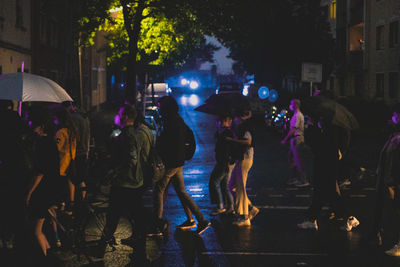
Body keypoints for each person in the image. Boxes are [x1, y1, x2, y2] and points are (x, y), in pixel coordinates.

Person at [98, 104, 152, 264]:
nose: (117, 116)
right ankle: (139, 251)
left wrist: (115, 171)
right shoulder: (134, 133)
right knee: (135, 215)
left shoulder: (128, 135)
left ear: (126, 117)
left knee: (114, 214)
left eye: (120, 114)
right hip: (133, 182)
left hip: (125, 183)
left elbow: (132, 159)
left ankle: (101, 246)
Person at [152, 96, 210, 235]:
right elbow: (188, 135)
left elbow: (166, 143)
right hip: (178, 162)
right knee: (181, 191)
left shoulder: (171, 121)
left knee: (159, 190)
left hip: (172, 162)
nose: (158, 109)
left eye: (160, 106)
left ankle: (158, 225)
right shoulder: (176, 118)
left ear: (166, 107)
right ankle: (198, 220)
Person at [297, 116, 360, 231]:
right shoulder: (331, 128)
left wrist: (311, 128)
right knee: (321, 192)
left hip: (326, 161)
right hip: (326, 160)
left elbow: (315, 144)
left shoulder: (329, 130)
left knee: (329, 191)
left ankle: (349, 218)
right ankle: (311, 219)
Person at [25, 110, 62, 255]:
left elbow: (40, 173)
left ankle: (45, 259)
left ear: (39, 126)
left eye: (31, 123)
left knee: (37, 231)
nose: (29, 125)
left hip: (43, 191)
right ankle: (49, 251)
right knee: (41, 229)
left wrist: (29, 193)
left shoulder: (41, 144)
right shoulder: (51, 142)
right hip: (53, 188)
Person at [368, 104, 400, 255]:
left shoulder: (397, 139)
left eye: (394, 115)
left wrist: (391, 183)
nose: (392, 118)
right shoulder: (393, 136)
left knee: (396, 211)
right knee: (381, 207)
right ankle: (375, 234)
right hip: (385, 180)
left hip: (391, 181)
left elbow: (395, 163)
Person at [227, 108, 259, 226]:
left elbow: (248, 142)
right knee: (232, 186)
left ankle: (243, 217)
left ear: (239, 117)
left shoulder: (246, 126)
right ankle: (250, 208)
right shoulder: (241, 126)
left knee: (240, 188)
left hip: (245, 158)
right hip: (241, 158)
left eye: (234, 118)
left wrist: (233, 140)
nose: (233, 120)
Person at [209, 113, 235, 215]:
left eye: (219, 121)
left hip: (224, 162)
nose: (218, 123)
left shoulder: (227, 133)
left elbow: (227, 149)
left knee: (214, 182)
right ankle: (231, 207)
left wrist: (227, 162)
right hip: (225, 162)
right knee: (225, 185)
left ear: (226, 122)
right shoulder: (225, 133)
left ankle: (220, 206)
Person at [63, 101, 90, 200]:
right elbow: (88, 136)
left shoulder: (73, 118)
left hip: (75, 151)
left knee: (71, 178)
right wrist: (87, 151)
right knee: (81, 178)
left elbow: (73, 135)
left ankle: (72, 203)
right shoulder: (84, 116)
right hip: (84, 150)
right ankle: (82, 200)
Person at [53, 107, 78, 214]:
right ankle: (70, 207)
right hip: (70, 160)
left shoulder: (61, 132)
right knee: (68, 184)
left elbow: (56, 147)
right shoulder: (72, 131)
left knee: (60, 185)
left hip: (61, 162)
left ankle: (61, 205)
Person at [281, 99, 309, 187]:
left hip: (297, 139)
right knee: (291, 158)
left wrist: (285, 139)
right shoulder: (296, 115)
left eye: (291, 104)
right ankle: (295, 178)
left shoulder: (298, 115)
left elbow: (294, 129)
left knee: (298, 160)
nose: (290, 106)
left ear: (295, 105)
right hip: (295, 139)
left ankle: (303, 180)